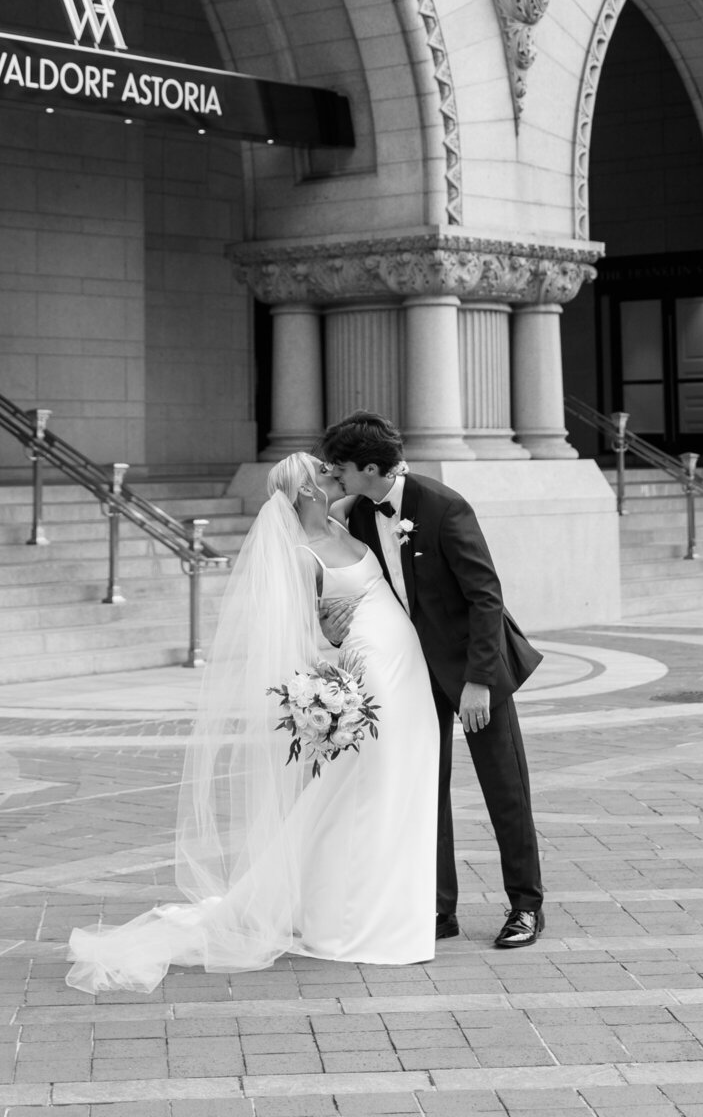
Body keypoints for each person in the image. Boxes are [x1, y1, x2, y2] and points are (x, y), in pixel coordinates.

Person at [64, 452, 439, 993]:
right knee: (370, 790)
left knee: (395, 785)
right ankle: (352, 919)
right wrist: (329, 645)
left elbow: (389, 484)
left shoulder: (343, 519)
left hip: (407, 669)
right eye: (326, 475)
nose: (336, 477)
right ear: (309, 491)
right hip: (372, 672)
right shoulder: (300, 553)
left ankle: (376, 905)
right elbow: (289, 636)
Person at [319, 410, 545, 949]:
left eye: (341, 468)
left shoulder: (443, 506)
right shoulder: (354, 515)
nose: (336, 476)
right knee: (426, 791)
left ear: (370, 468)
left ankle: (526, 907)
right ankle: (440, 910)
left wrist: (479, 682)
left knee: (505, 788)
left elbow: (486, 596)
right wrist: (331, 631)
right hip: (410, 676)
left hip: (473, 671)